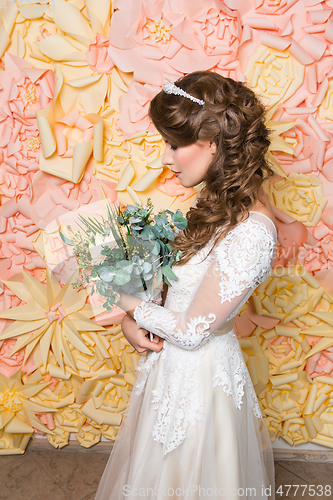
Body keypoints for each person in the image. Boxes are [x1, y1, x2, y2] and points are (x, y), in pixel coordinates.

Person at [95, 71, 277, 500]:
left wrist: (125, 300)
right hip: (172, 375)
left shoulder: (252, 230)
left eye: (174, 144)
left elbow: (195, 329)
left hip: (200, 383)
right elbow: (181, 296)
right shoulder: (216, 208)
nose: (165, 156)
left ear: (213, 143)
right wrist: (132, 318)